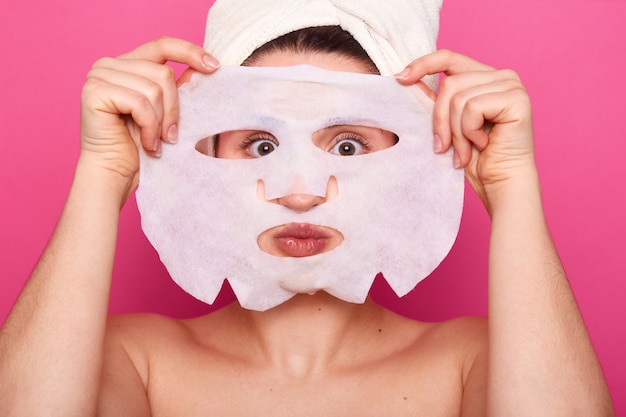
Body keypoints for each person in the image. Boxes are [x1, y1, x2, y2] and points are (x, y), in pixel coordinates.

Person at [0, 1, 614, 415]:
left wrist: (512, 183)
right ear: (203, 152)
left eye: (349, 146)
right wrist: (103, 170)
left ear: (417, 159)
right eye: (259, 144)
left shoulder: (479, 362)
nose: (300, 191)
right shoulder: (130, 359)